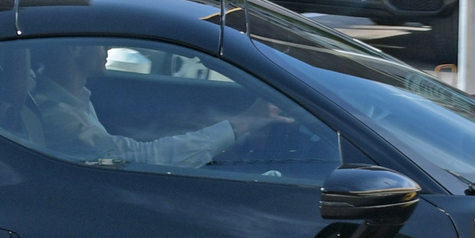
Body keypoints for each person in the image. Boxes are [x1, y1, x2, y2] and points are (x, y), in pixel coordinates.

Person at [22, 42, 289, 169]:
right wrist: (242, 123)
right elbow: (144, 159)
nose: (107, 49)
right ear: (75, 49)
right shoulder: (57, 116)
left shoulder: (73, 99)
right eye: (101, 44)